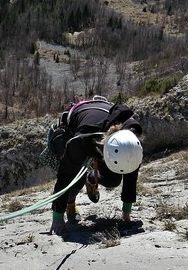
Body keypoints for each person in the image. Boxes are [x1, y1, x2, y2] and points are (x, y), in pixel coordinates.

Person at [49, 98, 143, 235]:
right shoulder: (80, 142)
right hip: (81, 122)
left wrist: (126, 213)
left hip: (103, 126)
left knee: (113, 180)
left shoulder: (131, 142)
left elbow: (131, 175)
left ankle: (92, 178)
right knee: (76, 179)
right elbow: (65, 177)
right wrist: (57, 217)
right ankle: (70, 204)